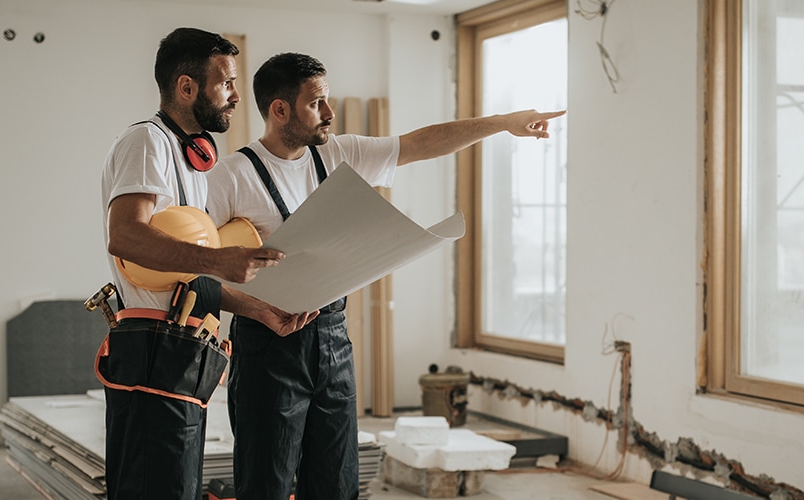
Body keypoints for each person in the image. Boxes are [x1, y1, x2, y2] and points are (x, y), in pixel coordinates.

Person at [206, 51, 564, 500]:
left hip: (333, 338)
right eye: (316, 103)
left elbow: (419, 144)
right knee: (266, 483)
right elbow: (197, 272)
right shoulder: (230, 177)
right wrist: (251, 308)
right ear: (280, 110)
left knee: (337, 483)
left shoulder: (339, 153)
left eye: (328, 99)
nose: (329, 113)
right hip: (267, 347)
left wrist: (503, 123)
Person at [98, 29, 317, 500]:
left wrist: (259, 310)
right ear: (186, 87)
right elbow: (127, 235)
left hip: (184, 353)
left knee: (178, 486)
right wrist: (219, 257)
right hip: (152, 351)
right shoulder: (147, 143)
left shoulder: (190, 162)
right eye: (227, 83)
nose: (237, 96)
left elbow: (187, 277)